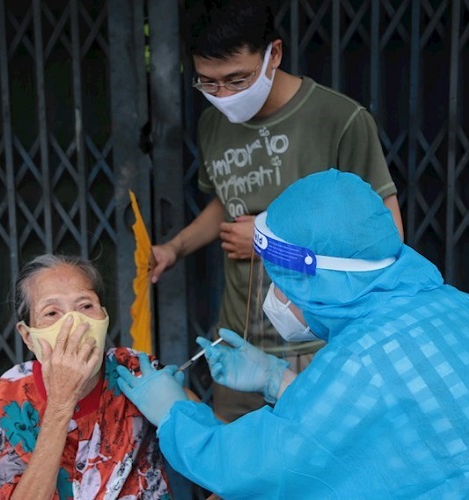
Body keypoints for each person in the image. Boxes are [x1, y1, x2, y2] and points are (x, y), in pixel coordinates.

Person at [117, 170, 469, 498]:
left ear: (314, 278)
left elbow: (265, 470)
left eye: (281, 286)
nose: (278, 299)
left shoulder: (364, 357)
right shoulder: (462, 307)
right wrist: (278, 380)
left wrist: (176, 413)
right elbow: (403, 423)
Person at [150, 0, 403, 421]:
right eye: (208, 83)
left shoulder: (338, 119)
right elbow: (226, 201)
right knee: (241, 476)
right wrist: (175, 248)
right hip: (235, 346)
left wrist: (270, 243)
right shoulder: (213, 123)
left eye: (236, 79)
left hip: (318, 348)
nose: (224, 95)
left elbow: (387, 236)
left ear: (274, 55)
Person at [0, 254, 172, 499]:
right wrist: (61, 403)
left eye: (86, 306)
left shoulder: (137, 371)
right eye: (52, 313)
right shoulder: (12, 395)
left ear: (104, 317)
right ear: (28, 336)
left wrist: (182, 412)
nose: (74, 323)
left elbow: (224, 462)